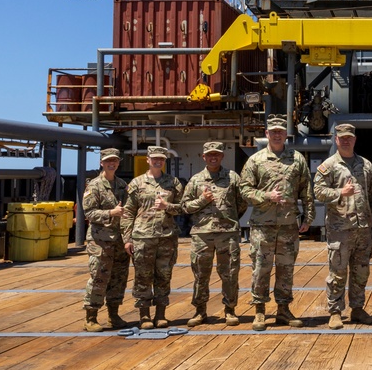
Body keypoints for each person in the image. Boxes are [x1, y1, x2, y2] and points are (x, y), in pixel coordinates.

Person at [241, 115, 315, 331]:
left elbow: (306, 190)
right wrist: (266, 196)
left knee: (286, 269)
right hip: (262, 226)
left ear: (286, 135)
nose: (276, 134)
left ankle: (283, 310)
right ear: (266, 134)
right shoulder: (255, 161)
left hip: (288, 225)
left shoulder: (297, 159)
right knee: (261, 268)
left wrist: (308, 217)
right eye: (272, 131)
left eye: (280, 131)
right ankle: (260, 311)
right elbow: (244, 190)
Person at [313, 123, 372, 330]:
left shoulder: (366, 165)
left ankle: (357, 309)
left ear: (354, 139)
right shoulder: (329, 166)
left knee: (361, 271)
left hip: (363, 228)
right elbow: (318, 191)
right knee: (337, 271)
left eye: (349, 137)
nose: (345, 140)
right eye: (342, 137)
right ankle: (335, 312)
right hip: (340, 228)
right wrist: (339, 193)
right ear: (336, 139)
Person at [182, 142, 248, 328]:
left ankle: (230, 310)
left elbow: (241, 203)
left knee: (229, 273)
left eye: (216, 155)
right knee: (201, 274)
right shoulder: (195, 180)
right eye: (209, 155)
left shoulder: (232, 177)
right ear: (203, 157)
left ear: (221, 157)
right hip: (202, 234)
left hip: (227, 234)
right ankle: (200, 311)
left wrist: (230, 220)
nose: (213, 157)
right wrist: (203, 200)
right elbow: (185, 207)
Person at [122, 145, 184, 329]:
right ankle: (144, 315)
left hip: (166, 237)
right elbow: (128, 212)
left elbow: (185, 207)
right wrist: (127, 238)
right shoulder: (136, 183)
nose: (158, 161)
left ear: (165, 161)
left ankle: (160, 314)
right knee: (143, 276)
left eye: (162, 159)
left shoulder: (173, 183)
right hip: (142, 237)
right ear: (148, 160)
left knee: (164, 275)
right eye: (154, 158)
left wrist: (168, 207)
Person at [81, 148, 130, 332]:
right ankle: (91, 317)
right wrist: (111, 212)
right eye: (108, 161)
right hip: (100, 242)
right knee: (99, 278)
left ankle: (113, 315)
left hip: (118, 240)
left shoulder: (122, 184)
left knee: (118, 278)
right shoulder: (94, 186)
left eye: (115, 161)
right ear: (102, 162)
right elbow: (89, 213)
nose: (112, 164)